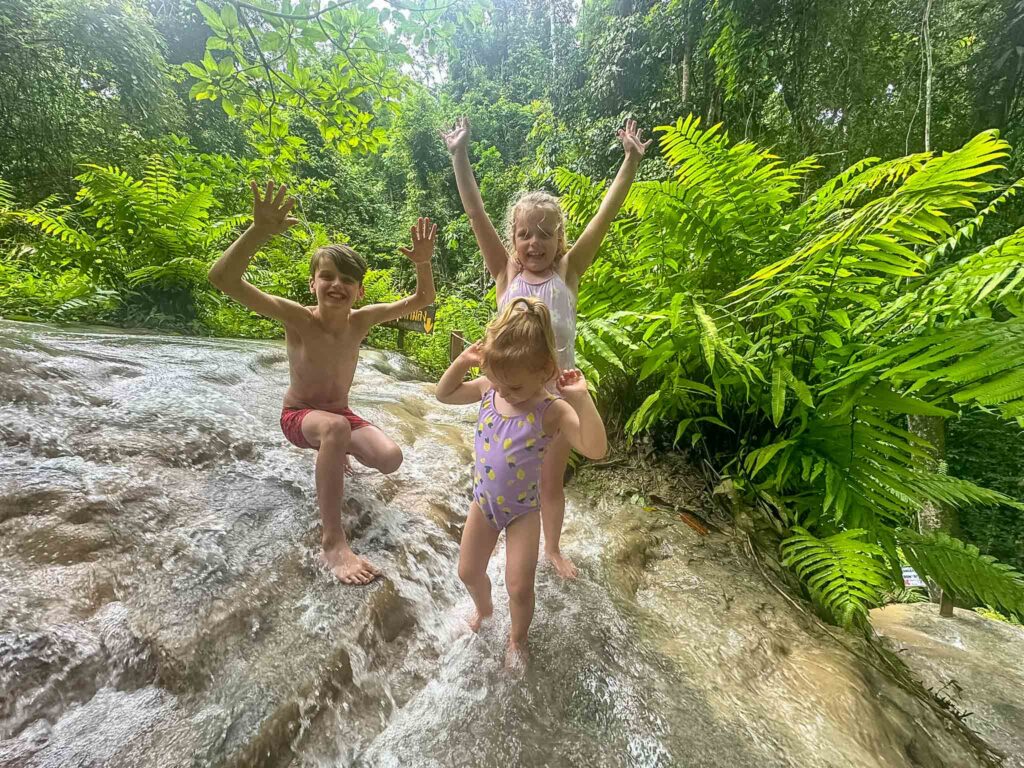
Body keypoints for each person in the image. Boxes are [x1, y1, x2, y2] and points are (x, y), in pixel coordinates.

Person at [441, 116, 650, 579]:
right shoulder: (505, 274)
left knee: (550, 481)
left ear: (560, 239)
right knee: (499, 469)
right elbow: (475, 213)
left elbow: (605, 216)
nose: (534, 241)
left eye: (545, 232)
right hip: (506, 390)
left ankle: (551, 548)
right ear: (514, 240)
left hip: (553, 395)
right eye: (524, 233)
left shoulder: (568, 274)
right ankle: (496, 529)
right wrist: (459, 156)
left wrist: (630, 161)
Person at [208, 181, 436, 585]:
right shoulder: (299, 318)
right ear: (313, 283)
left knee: (391, 459)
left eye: (347, 279)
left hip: (340, 415)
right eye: (327, 276)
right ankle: (333, 542)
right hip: (299, 417)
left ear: (359, 290)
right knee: (334, 428)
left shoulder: (361, 320)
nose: (337, 285)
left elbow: (421, 300)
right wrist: (258, 230)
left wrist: (422, 262)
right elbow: (223, 278)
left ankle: (335, 456)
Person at [435, 297, 607, 662]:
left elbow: (595, 448)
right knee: (467, 571)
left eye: (513, 387)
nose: (503, 392)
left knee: (520, 586)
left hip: (522, 512)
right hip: (483, 504)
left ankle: (517, 638)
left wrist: (582, 400)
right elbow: (444, 394)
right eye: (497, 382)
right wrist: (464, 362)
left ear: (545, 370)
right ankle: (483, 611)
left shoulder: (552, 411)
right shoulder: (488, 387)